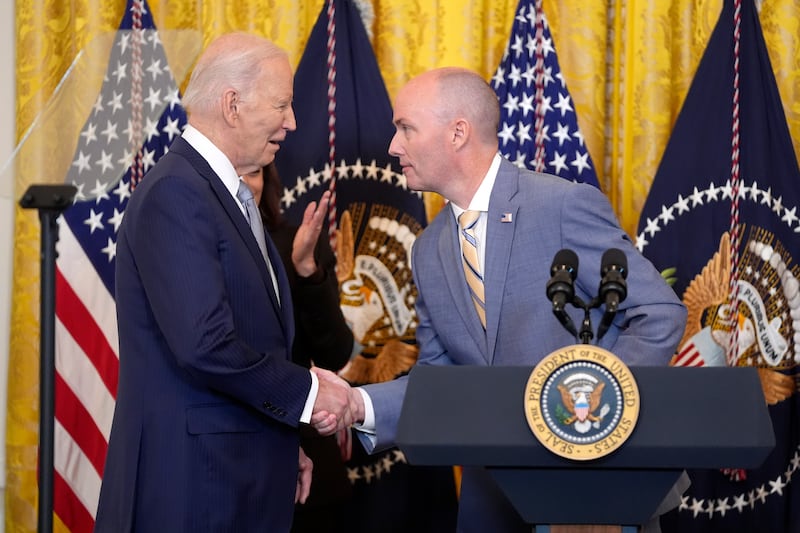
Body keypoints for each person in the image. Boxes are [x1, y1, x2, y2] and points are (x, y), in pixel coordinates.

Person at [312, 67, 688, 532]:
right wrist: (356, 404)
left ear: (458, 132)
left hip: (592, 487)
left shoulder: (562, 206)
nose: (393, 146)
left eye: (405, 127)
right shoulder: (429, 249)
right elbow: (441, 380)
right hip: (492, 498)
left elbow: (659, 312)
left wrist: (595, 408)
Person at [94, 33, 358, 533]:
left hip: (233, 475)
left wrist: (280, 445)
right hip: (194, 488)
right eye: (282, 104)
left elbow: (255, 338)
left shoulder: (225, 195)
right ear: (232, 105)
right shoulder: (179, 193)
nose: (293, 122)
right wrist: (307, 392)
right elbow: (206, 345)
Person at [242, 163, 355, 532]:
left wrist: (306, 268)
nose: (243, 184)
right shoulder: (189, 246)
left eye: (253, 173)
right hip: (224, 458)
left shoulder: (296, 242)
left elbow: (335, 353)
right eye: (232, 171)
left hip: (302, 460)